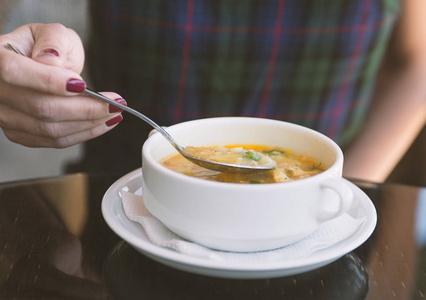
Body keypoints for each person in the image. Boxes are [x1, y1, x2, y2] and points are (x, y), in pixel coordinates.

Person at [0, 0, 425, 183]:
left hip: (331, 209)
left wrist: (337, 189)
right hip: (125, 199)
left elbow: (415, 62)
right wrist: (14, 62)